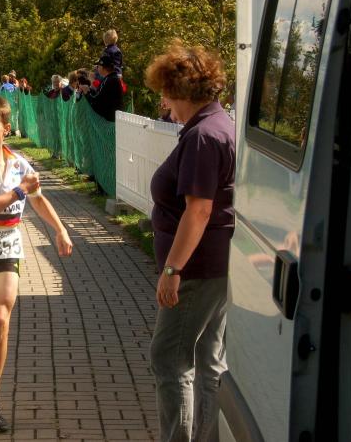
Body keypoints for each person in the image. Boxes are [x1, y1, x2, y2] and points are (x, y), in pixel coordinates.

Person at [0, 95, 73, 433]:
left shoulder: (21, 164)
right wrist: (19, 191)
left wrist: (60, 229)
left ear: (6, 129)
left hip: (8, 247)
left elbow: (38, 198)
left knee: (1, 319)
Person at [146, 41, 234, 442]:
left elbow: (198, 211)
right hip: (214, 264)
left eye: (165, 93)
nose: (164, 103)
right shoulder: (218, 125)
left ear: (180, 90)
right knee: (208, 359)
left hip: (195, 269)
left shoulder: (202, 137)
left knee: (169, 357)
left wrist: (172, 269)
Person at [79, 54, 125, 120]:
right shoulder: (112, 78)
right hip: (114, 119)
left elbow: (96, 104)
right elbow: (99, 96)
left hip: (110, 121)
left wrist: (86, 92)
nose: (97, 68)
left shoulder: (109, 80)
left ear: (103, 67)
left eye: (98, 66)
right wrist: (89, 90)